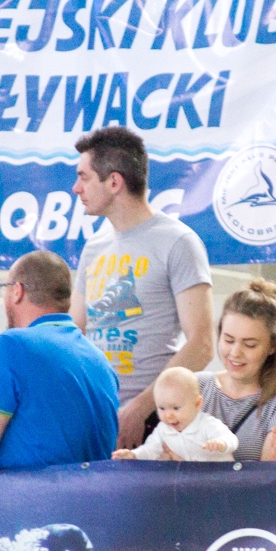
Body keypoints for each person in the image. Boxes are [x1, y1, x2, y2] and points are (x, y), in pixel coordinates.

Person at [70, 127, 212, 450]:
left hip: (155, 420)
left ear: (114, 182)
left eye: (84, 177)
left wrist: (140, 409)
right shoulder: (94, 247)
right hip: (97, 412)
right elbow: (73, 333)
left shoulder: (178, 242)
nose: (76, 188)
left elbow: (202, 345)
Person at [0, 250, 120, 471]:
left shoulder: (11, 345)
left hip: (29, 502)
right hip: (93, 502)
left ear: (17, 291)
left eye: (5, 289)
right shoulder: (101, 361)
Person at [199, 279, 276, 462]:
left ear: (273, 346)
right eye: (228, 340)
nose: (235, 353)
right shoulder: (195, 385)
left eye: (250, 344)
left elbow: (269, 475)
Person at [113, 367, 236, 461]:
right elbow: (150, 450)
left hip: (220, 479)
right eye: (162, 408)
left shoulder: (207, 424)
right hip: (190, 481)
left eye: (176, 408)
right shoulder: (163, 429)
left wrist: (221, 443)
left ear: (197, 404)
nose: (168, 415)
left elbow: (232, 440)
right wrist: (133, 454)